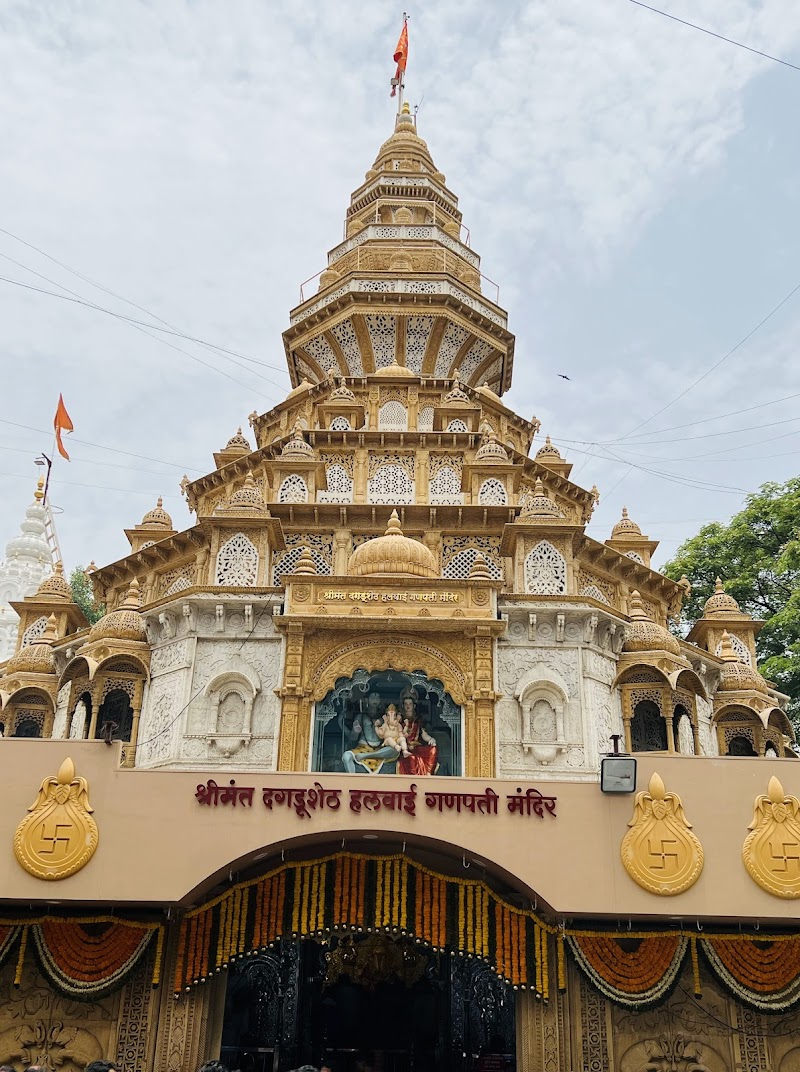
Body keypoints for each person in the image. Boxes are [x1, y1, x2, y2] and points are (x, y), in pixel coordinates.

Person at [396, 688, 438, 776]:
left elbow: (424, 735)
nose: (408, 706)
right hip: (405, 749)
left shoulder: (418, 720)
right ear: (403, 705)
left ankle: (428, 774)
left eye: (410, 704)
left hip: (417, 748)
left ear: (414, 706)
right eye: (406, 704)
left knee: (433, 750)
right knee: (412, 758)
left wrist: (431, 739)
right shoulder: (400, 721)